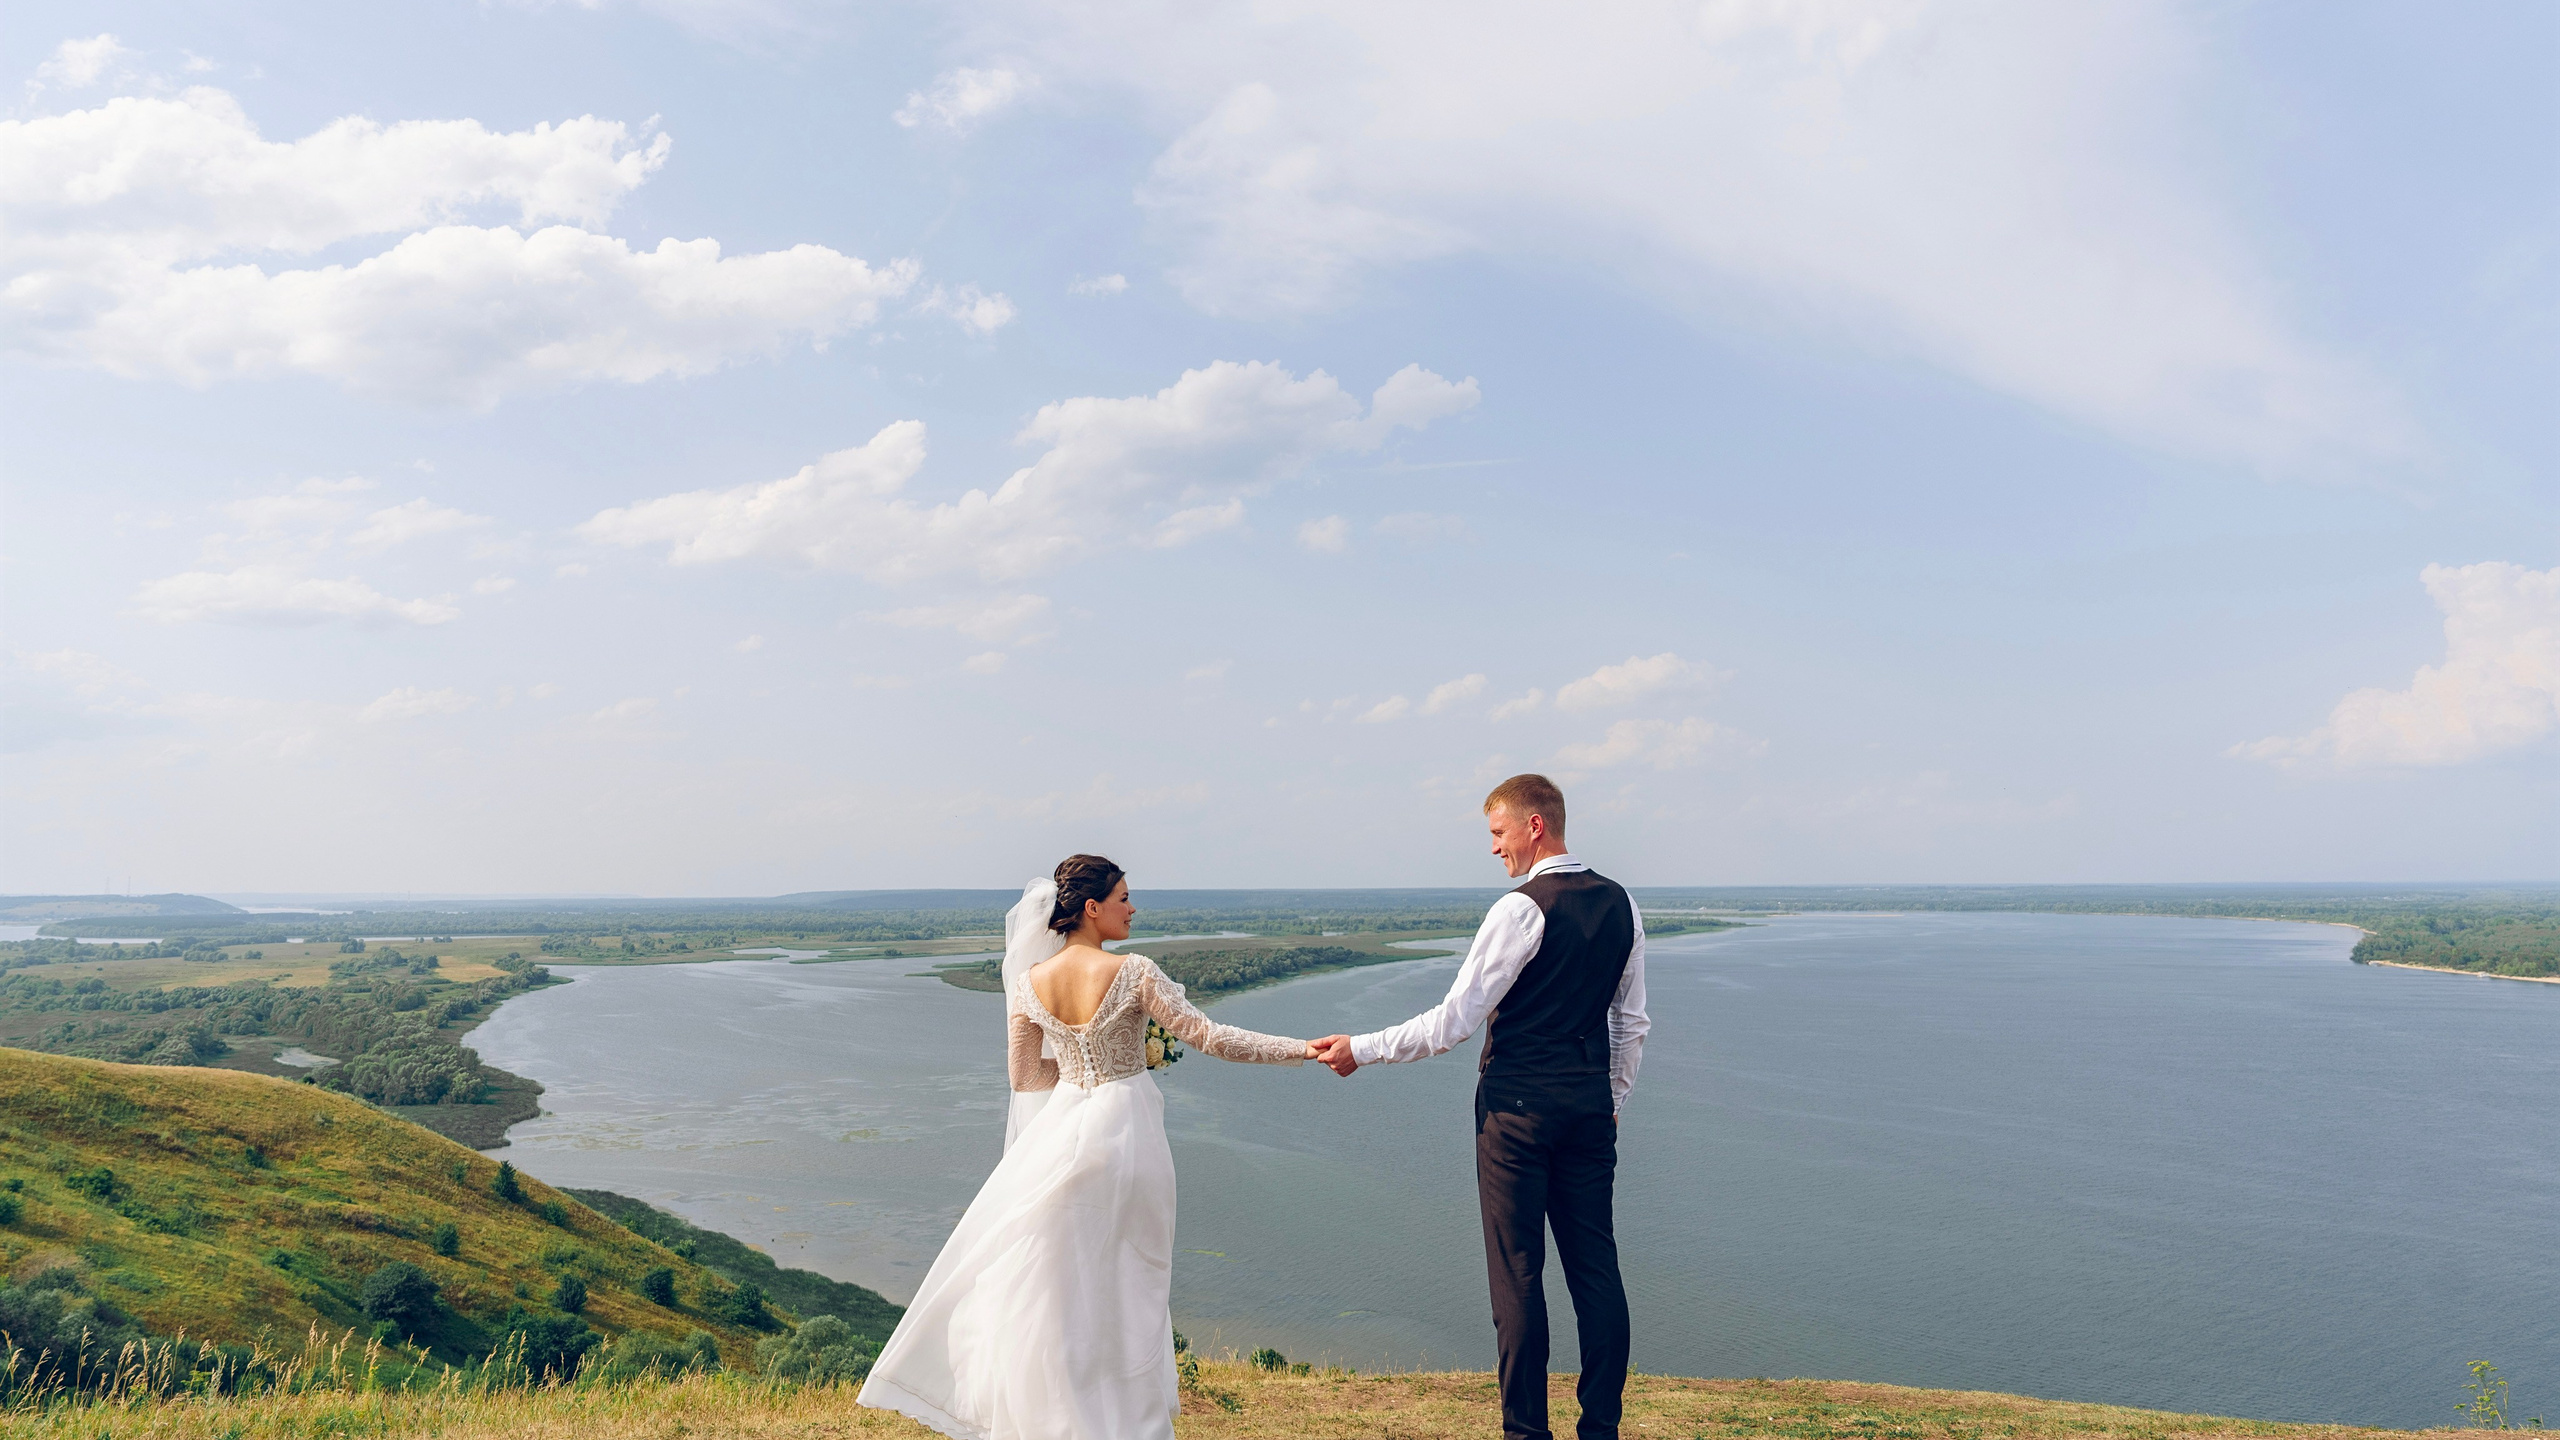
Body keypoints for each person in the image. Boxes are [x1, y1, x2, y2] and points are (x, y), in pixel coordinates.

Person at [859, 853, 1317, 1440]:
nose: (1133, 908)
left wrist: (1081, 1068)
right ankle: (1129, 1420)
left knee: (1062, 1285)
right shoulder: (1135, 971)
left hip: (1062, 1133)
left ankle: (1064, 1419)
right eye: (1124, 898)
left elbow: (1026, 1076)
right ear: (1093, 907)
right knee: (1133, 1278)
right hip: (1126, 1134)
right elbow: (1210, 1036)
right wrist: (1303, 1049)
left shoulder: (1029, 982)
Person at [1312, 774, 1648, 1440]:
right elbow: (1630, 1023)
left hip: (1515, 1116)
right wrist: (1610, 1100)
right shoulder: (1623, 904)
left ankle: (1526, 1432)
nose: (1494, 848)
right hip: (1588, 1111)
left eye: (1498, 833)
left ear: (1533, 826)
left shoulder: (1519, 910)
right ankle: (1600, 1429)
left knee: (1518, 1275)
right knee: (1596, 1270)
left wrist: (1361, 1048)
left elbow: (1452, 1023)